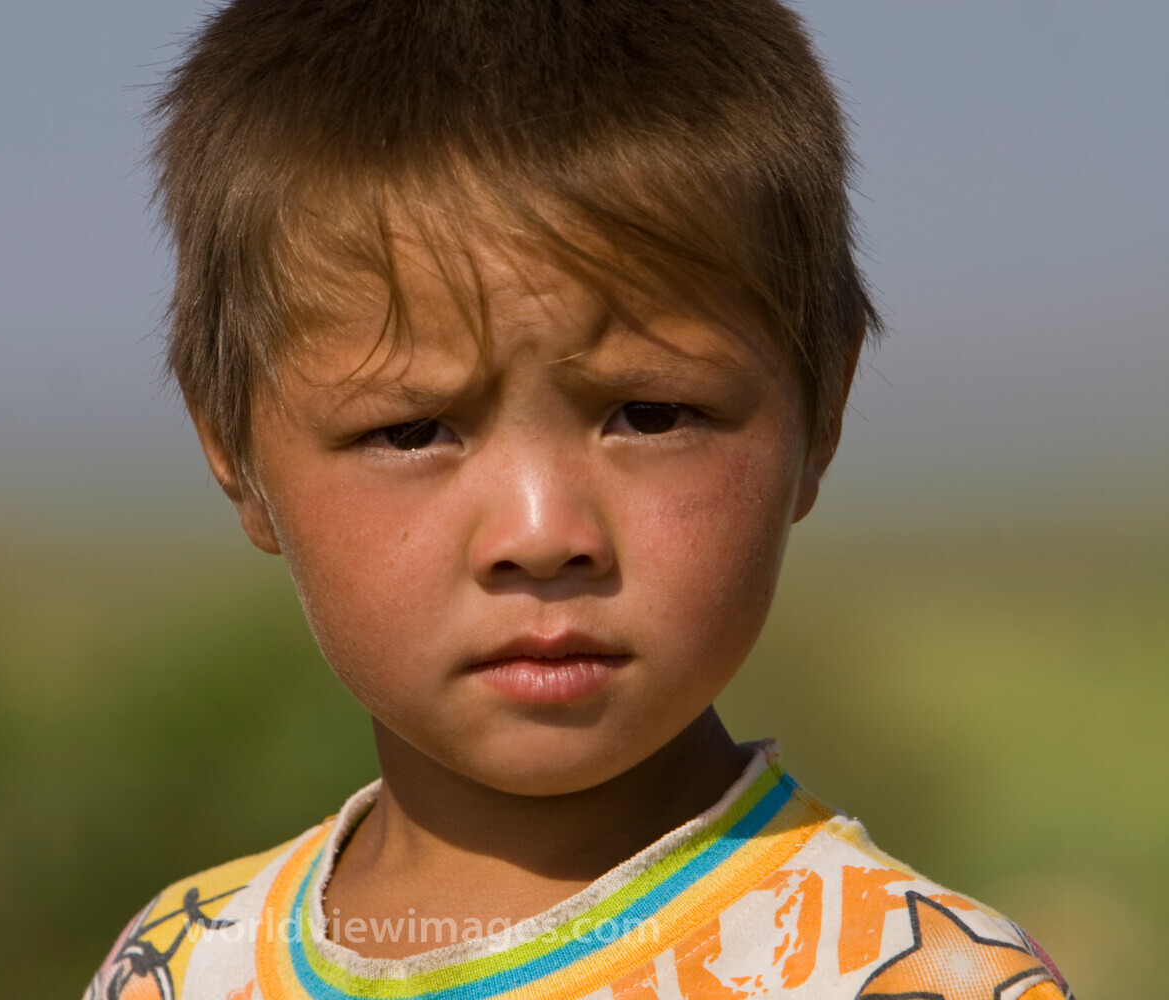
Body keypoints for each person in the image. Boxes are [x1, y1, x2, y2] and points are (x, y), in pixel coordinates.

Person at [85, 1, 1074, 997]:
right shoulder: (177, 964)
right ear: (233, 451)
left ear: (822, 406)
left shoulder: (914, 975)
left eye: (649, 415)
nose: (542, 535)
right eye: (413, 431)